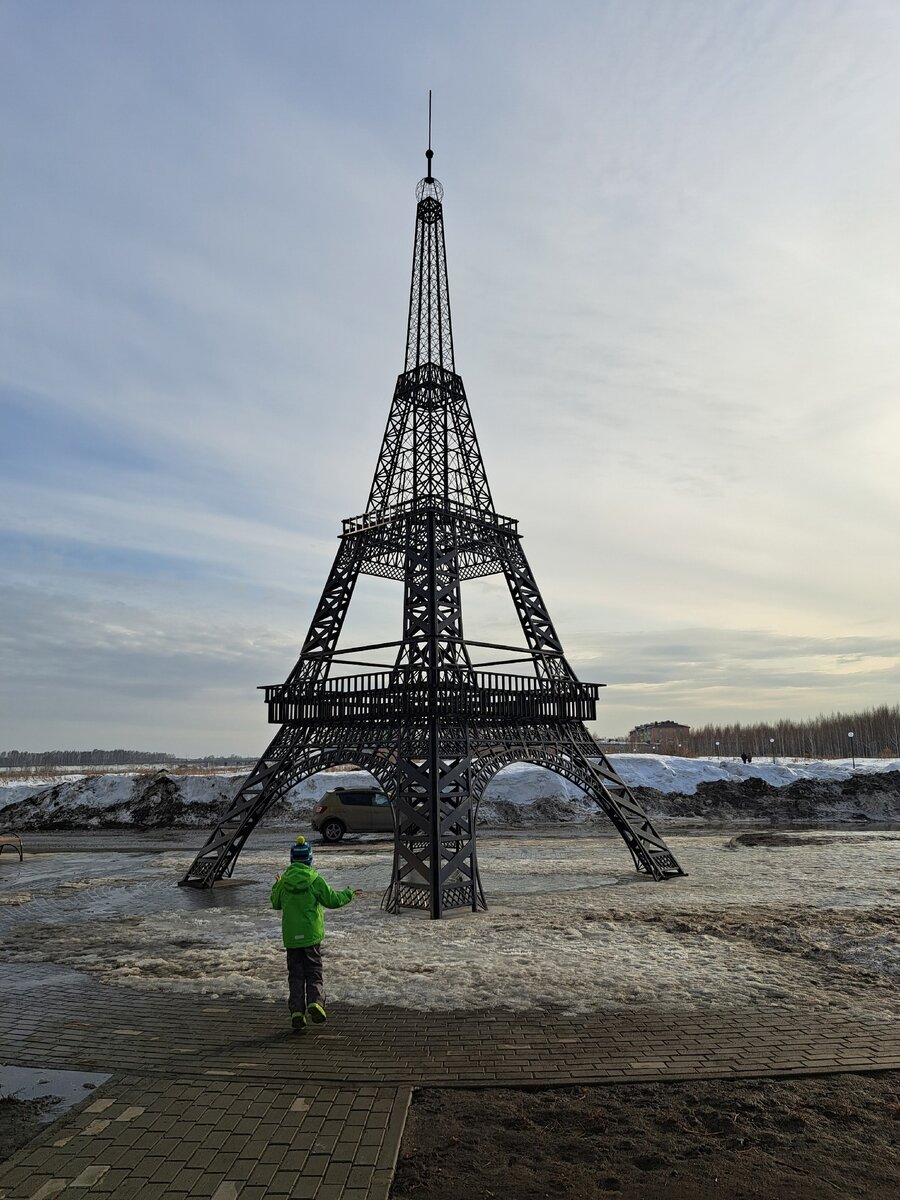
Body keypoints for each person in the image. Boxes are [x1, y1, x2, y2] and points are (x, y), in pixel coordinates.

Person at [271, 836, 360, 1033]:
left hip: (292, 938)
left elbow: (275, 904)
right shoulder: (315, 880)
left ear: (292, 860)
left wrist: (277, 884)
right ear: (310, 860)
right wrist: (349, 893)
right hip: (311, 936)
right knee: (313, 972)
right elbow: (333, 900)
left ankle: (296, 1012)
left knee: (295, 975)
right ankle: (315, 1002)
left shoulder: (284, 881)